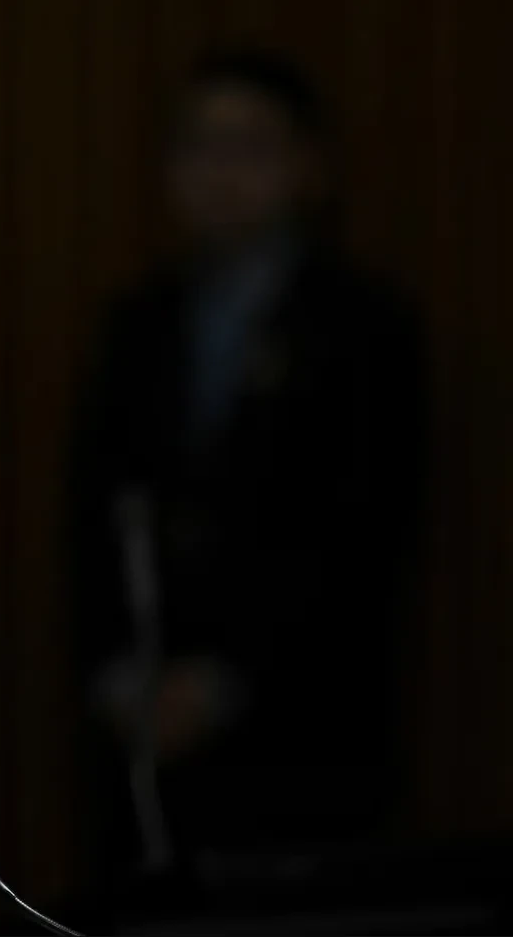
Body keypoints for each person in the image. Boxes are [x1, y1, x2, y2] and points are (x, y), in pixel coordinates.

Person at [68, 51, 426, 884]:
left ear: (309, 166)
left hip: (306, 729)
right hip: (144, 741)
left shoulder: (365, 325)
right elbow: (90, 515)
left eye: (251, 148)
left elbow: (364, 526)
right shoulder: (138, 322)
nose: (221, 173)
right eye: (199, 147)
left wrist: (225, 682)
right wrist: (120, 673)